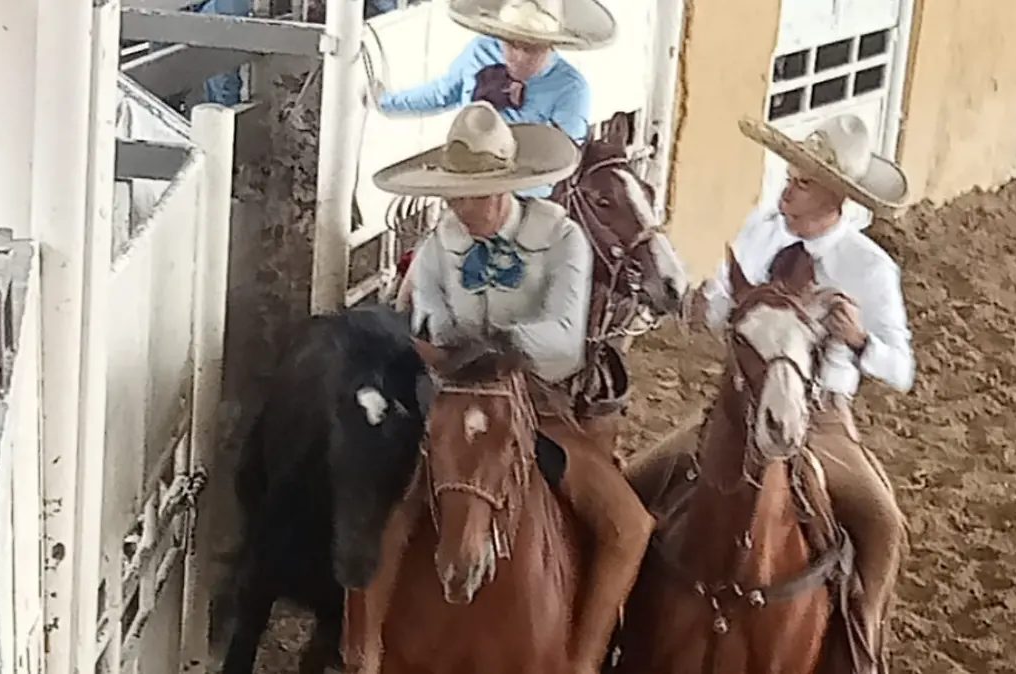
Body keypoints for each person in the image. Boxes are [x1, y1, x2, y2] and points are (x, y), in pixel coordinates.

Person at [373, 101, 653, 674]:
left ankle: (585, 657)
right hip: (447, 401)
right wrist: (447, 344)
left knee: (628, 525)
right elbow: (427, 321)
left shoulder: (562, 240)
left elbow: (561, 343)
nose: (456, 206)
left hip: (536, 403)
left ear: (504, 188)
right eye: (451, 193)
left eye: (468, 194)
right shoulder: (438, 244)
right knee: (374, 500)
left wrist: (489, 341)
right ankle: (361, 645)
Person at [691, 113, 914, 673]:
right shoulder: (761, 230)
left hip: (821, 421)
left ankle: (862, 647)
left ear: (837, 196)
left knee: (882, 522)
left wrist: (860, 340)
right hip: (737, 405)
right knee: (641, 485)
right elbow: (720, 304)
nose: (786, 190)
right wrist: (705, 304)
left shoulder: (869, 267)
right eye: (789, 176)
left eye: (802, 182)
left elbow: (901, 368)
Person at [373, 0, 615, 198]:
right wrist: (386, 101)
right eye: (509, 44)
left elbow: (562, 160)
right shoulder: (480, 51)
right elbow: (443, 92)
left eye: (530, 48)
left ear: (552, 44)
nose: (518, 57)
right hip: (463, 187)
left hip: (529, 201)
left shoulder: (571, 89)